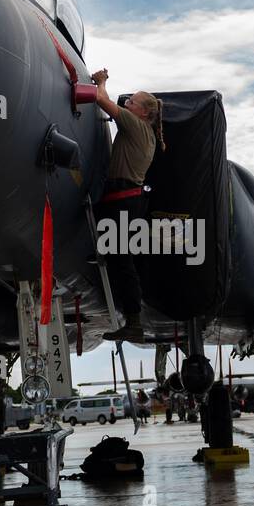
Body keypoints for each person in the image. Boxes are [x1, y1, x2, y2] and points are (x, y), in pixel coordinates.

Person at [90, 68, 164, 342]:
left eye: (132, 101)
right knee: (120, 259)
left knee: (122, 261)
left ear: (143, 112)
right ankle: (131, 317)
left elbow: (102, 101)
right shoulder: (146, 131)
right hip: (125, 202)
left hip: (122, 202)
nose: (128, 103)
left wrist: (102, 82)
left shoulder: (135, 125)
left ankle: (133, 321)